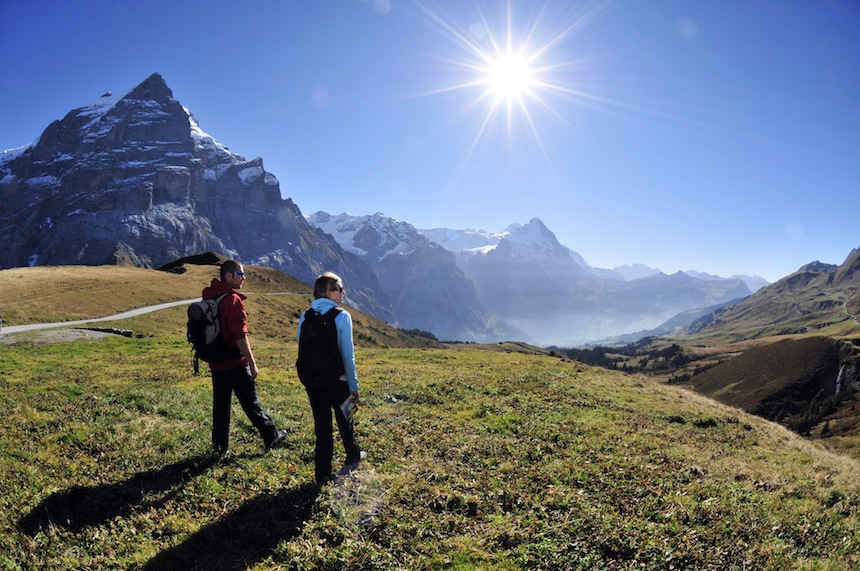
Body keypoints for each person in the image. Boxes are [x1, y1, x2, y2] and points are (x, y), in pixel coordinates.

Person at [202, 260, 286, 455]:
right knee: (251, 403)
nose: (244, 278)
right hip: (234, 361)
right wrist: (252, 362)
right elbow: (240, 336)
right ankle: (272, 436)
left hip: (216, 361)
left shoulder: (211, 295)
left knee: (221, 404)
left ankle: (219, 445)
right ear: (229, 276)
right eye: (240, 274)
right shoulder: (232, 300)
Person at [297, 271, 364, 485]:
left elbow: (301, 347)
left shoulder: (306, 316)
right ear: (329, 292)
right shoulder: (341, 316)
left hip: (313, 381)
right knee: (346, 419)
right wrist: (353, 384)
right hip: (337, 380)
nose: (344, 293)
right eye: (340, 289)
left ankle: (322, 473)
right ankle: (353, 456)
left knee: (322, 426)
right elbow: (347, 354)